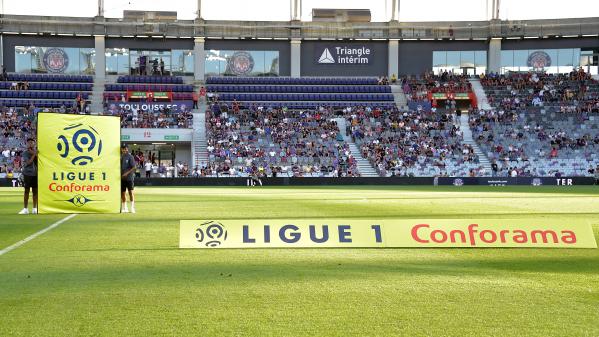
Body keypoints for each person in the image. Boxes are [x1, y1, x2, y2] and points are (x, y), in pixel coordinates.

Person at [19, 138, 38, 214]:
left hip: (35, 174)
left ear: (34, 143)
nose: (30, 144)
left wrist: (35, 153)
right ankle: (25, 209)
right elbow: (29, 162)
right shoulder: (25, 153)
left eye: (32, 142)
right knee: (26, 191)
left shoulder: (37, 152)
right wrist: (34, 154)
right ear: (27, 144)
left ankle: (34, 208)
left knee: (35, 192)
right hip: (27, 174)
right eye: (29, 143)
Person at [120, 144, 136, 213]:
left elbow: (134, 167)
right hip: (122, 179)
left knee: (130, 192)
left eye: (125, 149)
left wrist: (126, 173)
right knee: (122, 193)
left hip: (129, 178)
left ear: (127, 149)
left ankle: (132, 208)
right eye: (123, 149)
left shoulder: (130, 157)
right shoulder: (121, 157)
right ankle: (124, 208)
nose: (124, 150)